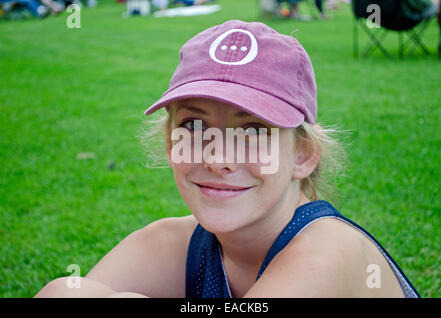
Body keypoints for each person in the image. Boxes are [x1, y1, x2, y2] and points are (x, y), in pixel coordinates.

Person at [34, 20, 420, 298]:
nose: (218, 158)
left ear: (303, 155)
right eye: (195, 127)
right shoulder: (177, 245)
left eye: (253, 131)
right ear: (172, 145)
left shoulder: (331, 252)